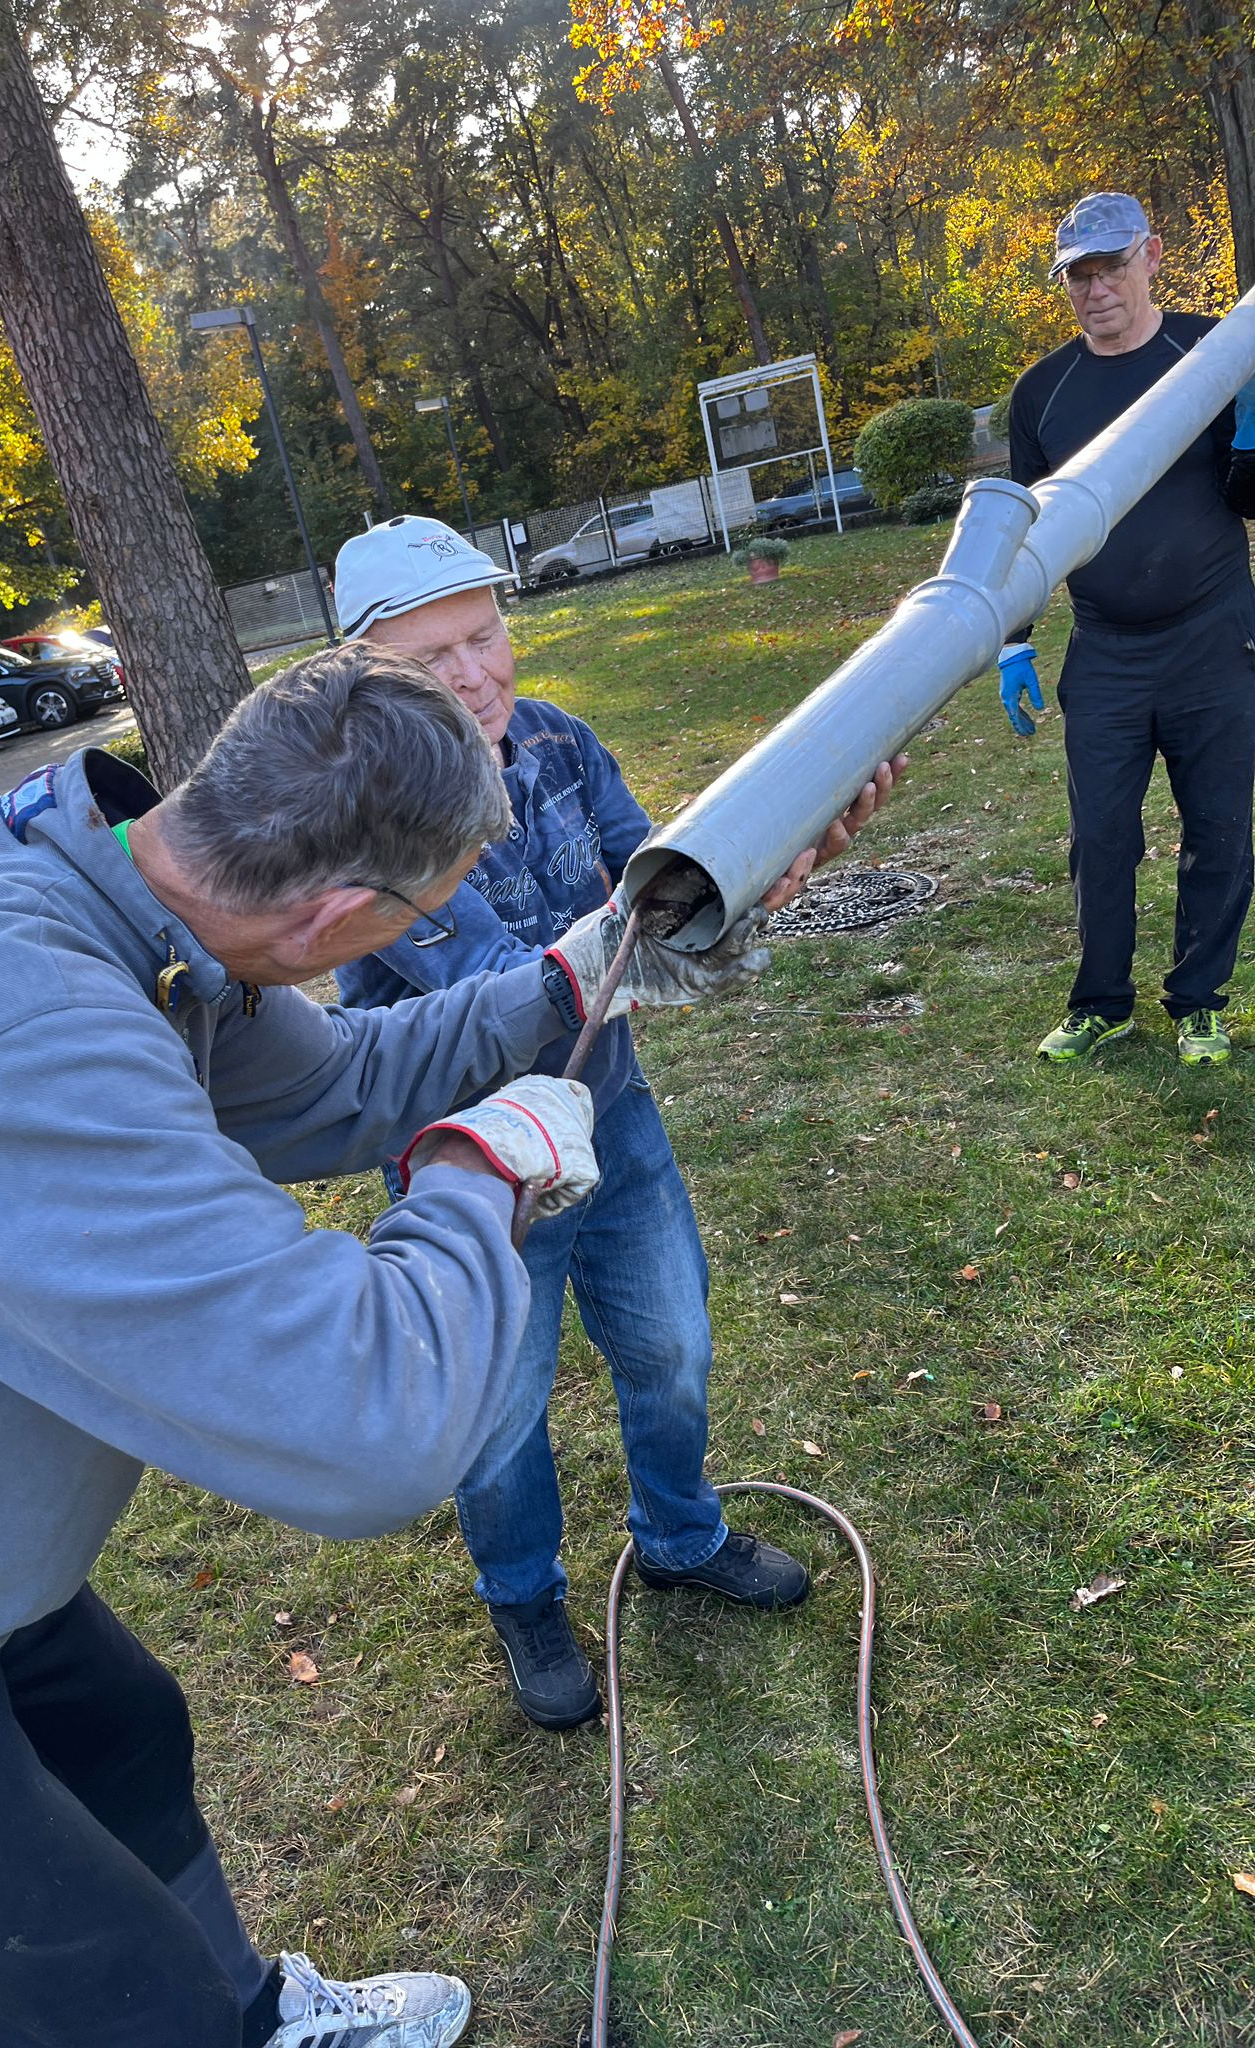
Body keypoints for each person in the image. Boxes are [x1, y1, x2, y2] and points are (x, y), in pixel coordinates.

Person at [0, 644, 809, 2047]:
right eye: (434, 904)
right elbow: (363, 1425)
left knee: (126, 1738)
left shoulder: (132, 895)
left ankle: (256, 2014)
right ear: (341, 911)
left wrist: (595, 966)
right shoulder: (7, 1029)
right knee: (123, 2001)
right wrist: (481, 1169)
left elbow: (341, 1085)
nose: (446, 915)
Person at [332, 516, 903, 1731]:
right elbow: (528, 984)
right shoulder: (362, 823)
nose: (477, 674)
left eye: (485, 636)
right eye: (436, 660)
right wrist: (674, 924)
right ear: (367, 675)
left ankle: (680, 1536)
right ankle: (524, 1597)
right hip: (477, 1172)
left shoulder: (557, 740)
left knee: (671, 1344)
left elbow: (642, 889)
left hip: (617, 1117)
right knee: (498, 1406)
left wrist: (759, 867)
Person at [1000, 191, 1255, 1065]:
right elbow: (1023, 531)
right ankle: (1101, 1000)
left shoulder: (1213, 352)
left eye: (1110, 265)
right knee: (1102, 834)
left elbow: (1246, 497)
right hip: (1105, 646)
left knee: (1218, 825)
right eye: (1079, 273)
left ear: (1151, 255)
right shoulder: (1044, 394)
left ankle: (1198, 1003)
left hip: (1214, 637)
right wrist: (1015, 639)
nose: (1095, 287)